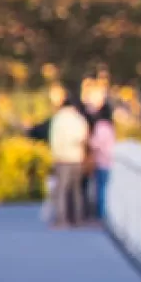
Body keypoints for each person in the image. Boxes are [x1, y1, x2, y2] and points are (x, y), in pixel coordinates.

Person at [48, 97, 90, 227]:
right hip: (77, 158)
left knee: (62, 189)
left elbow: (54, 139)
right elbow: (84, 138)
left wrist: (56, 155)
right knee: (76, 189)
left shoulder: (58, 119)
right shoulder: (79, 119)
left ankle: (62, 219)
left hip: (62, 158)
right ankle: (77, 218)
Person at [88, 113, 116, 220]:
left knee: (101, 190)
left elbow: (96, 144)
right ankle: (104, 213)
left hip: (102, 161)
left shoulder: (100, 126)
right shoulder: (110, 127)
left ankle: (102, 214)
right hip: (109, 162)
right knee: (105, 189)